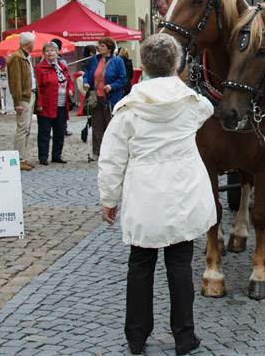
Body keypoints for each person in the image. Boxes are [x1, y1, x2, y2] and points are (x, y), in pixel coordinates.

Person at [98, 33, 214, 355]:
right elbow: (208, 108)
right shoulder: (192, 105)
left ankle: (136, 337)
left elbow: (111, 158)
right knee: (180, 266)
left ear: (145, 66)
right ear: (176, 64)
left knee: (140, 265)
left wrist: (109, 199)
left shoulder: (129, 109)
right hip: (182, 194)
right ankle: (184, 337)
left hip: (143, 195)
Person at [83, 37, 127, 160]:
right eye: (99, 46)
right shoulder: (94, 60)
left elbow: (123, 79)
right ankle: (97, 152)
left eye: (102, 46)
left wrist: (112, 86)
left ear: (109, 48)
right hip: (95, 98)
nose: (99, 48)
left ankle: (111, 152)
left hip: (110, 98)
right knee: (96, 125)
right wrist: (86, 83)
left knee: (111, 126)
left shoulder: (117, 61)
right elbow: (87, 74)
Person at [34, 42, 75, 165]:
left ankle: (57, 154)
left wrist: (71, 90)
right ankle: (43, 156)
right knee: (44, 131)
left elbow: (69, 81)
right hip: (47, 105)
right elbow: (38, 88)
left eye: (52, 50)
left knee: (59, 131)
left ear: (57, 53)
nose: (50, 53)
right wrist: (39, 104)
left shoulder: (62, 67)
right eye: (47, 51)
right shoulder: (39, 68)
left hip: (61, 104)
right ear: (43, 53)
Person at [7, 32, 38, 171]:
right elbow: (16, 81)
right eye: (33, 42)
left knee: (27, 128)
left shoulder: (25, 57)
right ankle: (18, 159)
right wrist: (17, 102)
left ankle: (23, 158)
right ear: (29, 43)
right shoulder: (17, 57)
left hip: (30, 95)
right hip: (24, 97)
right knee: (22, 128)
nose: (34, 44)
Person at [50, 38, 74, 137]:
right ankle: (63, 129)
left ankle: (57, 129)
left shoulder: (59, 62)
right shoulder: (62, 61)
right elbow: (67, 77)